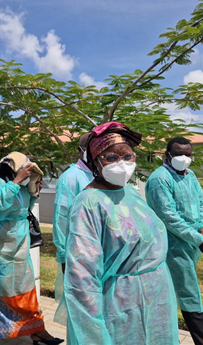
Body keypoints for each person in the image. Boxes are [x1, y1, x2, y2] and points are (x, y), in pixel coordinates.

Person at [62, 122, 178, 345]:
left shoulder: (130, 193)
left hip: (157, 301)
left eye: (128, 156)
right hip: (121, 306)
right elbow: (82, 278)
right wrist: (93, 335)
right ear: (95, 162)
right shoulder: (88, 204)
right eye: (111, 158)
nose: (122, 164)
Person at [0, 152, 64, 345]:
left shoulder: (21, 188)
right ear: (12, 169)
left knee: (23, 285)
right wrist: (16, 181)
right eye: (24, 171)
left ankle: (36, 329)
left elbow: (24, 208)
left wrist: (35, 193)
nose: (27, 175)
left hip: (17, 243)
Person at [145, 137, 203, 345]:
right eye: (178, 154)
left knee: (172, 292)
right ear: (167, 154)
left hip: (190, 245)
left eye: (188, 154)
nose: (184, 158)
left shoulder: (190, 175)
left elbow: (201, 203)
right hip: (172, 246)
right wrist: (198, 239)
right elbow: (168, 216)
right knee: (189, 293)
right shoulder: (159, 179)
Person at [52, 133, 93, 303]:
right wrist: (63, 257)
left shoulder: (102, 176)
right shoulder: (70, 178)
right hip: (78, 256)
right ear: (82, 150)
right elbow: (61, 219)